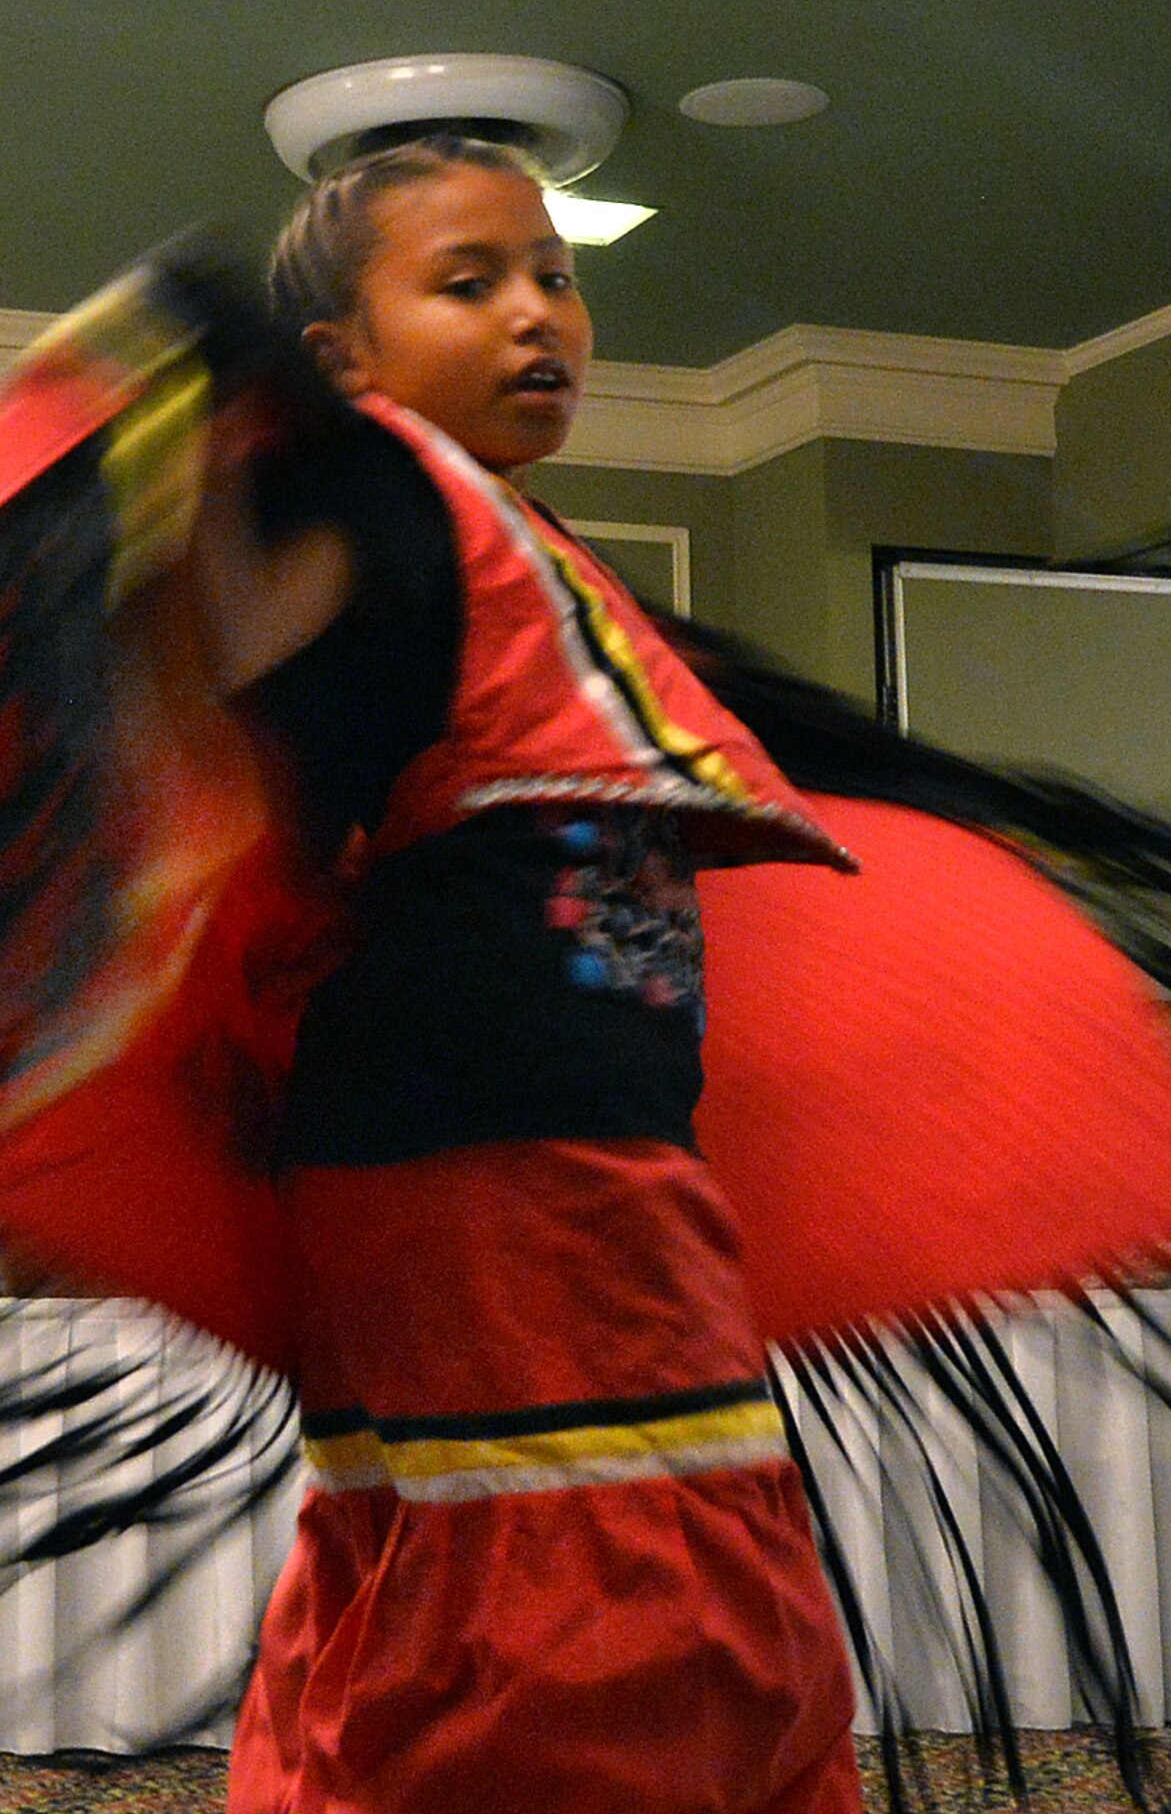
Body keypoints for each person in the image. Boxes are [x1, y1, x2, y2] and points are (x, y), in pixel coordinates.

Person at [191, 136, 865, 1814]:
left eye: (553, 273)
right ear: (343, 362)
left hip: (562, 1146)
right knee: (593, 1580)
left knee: (533, 1543)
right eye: (468, 281)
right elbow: (236, 641)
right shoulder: (386, 498)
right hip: (482, 1151)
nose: (535, 312)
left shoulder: (517, 550)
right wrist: (209, 440)